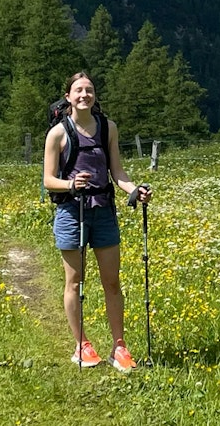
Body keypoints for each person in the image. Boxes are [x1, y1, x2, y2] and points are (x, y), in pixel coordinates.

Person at [43, 71, 153, 371]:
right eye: (78, 90)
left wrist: (135, 191)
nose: (84, 95)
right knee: (74, 282)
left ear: (94, 96)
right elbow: (48, 180)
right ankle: (81, 344)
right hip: (71, 212)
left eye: (89, 90)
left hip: (103, 210)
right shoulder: (57, 134)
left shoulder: (108, 128)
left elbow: (117, 172)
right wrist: (71, 185)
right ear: (68, 97)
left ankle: (119, 347)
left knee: (112, 281)